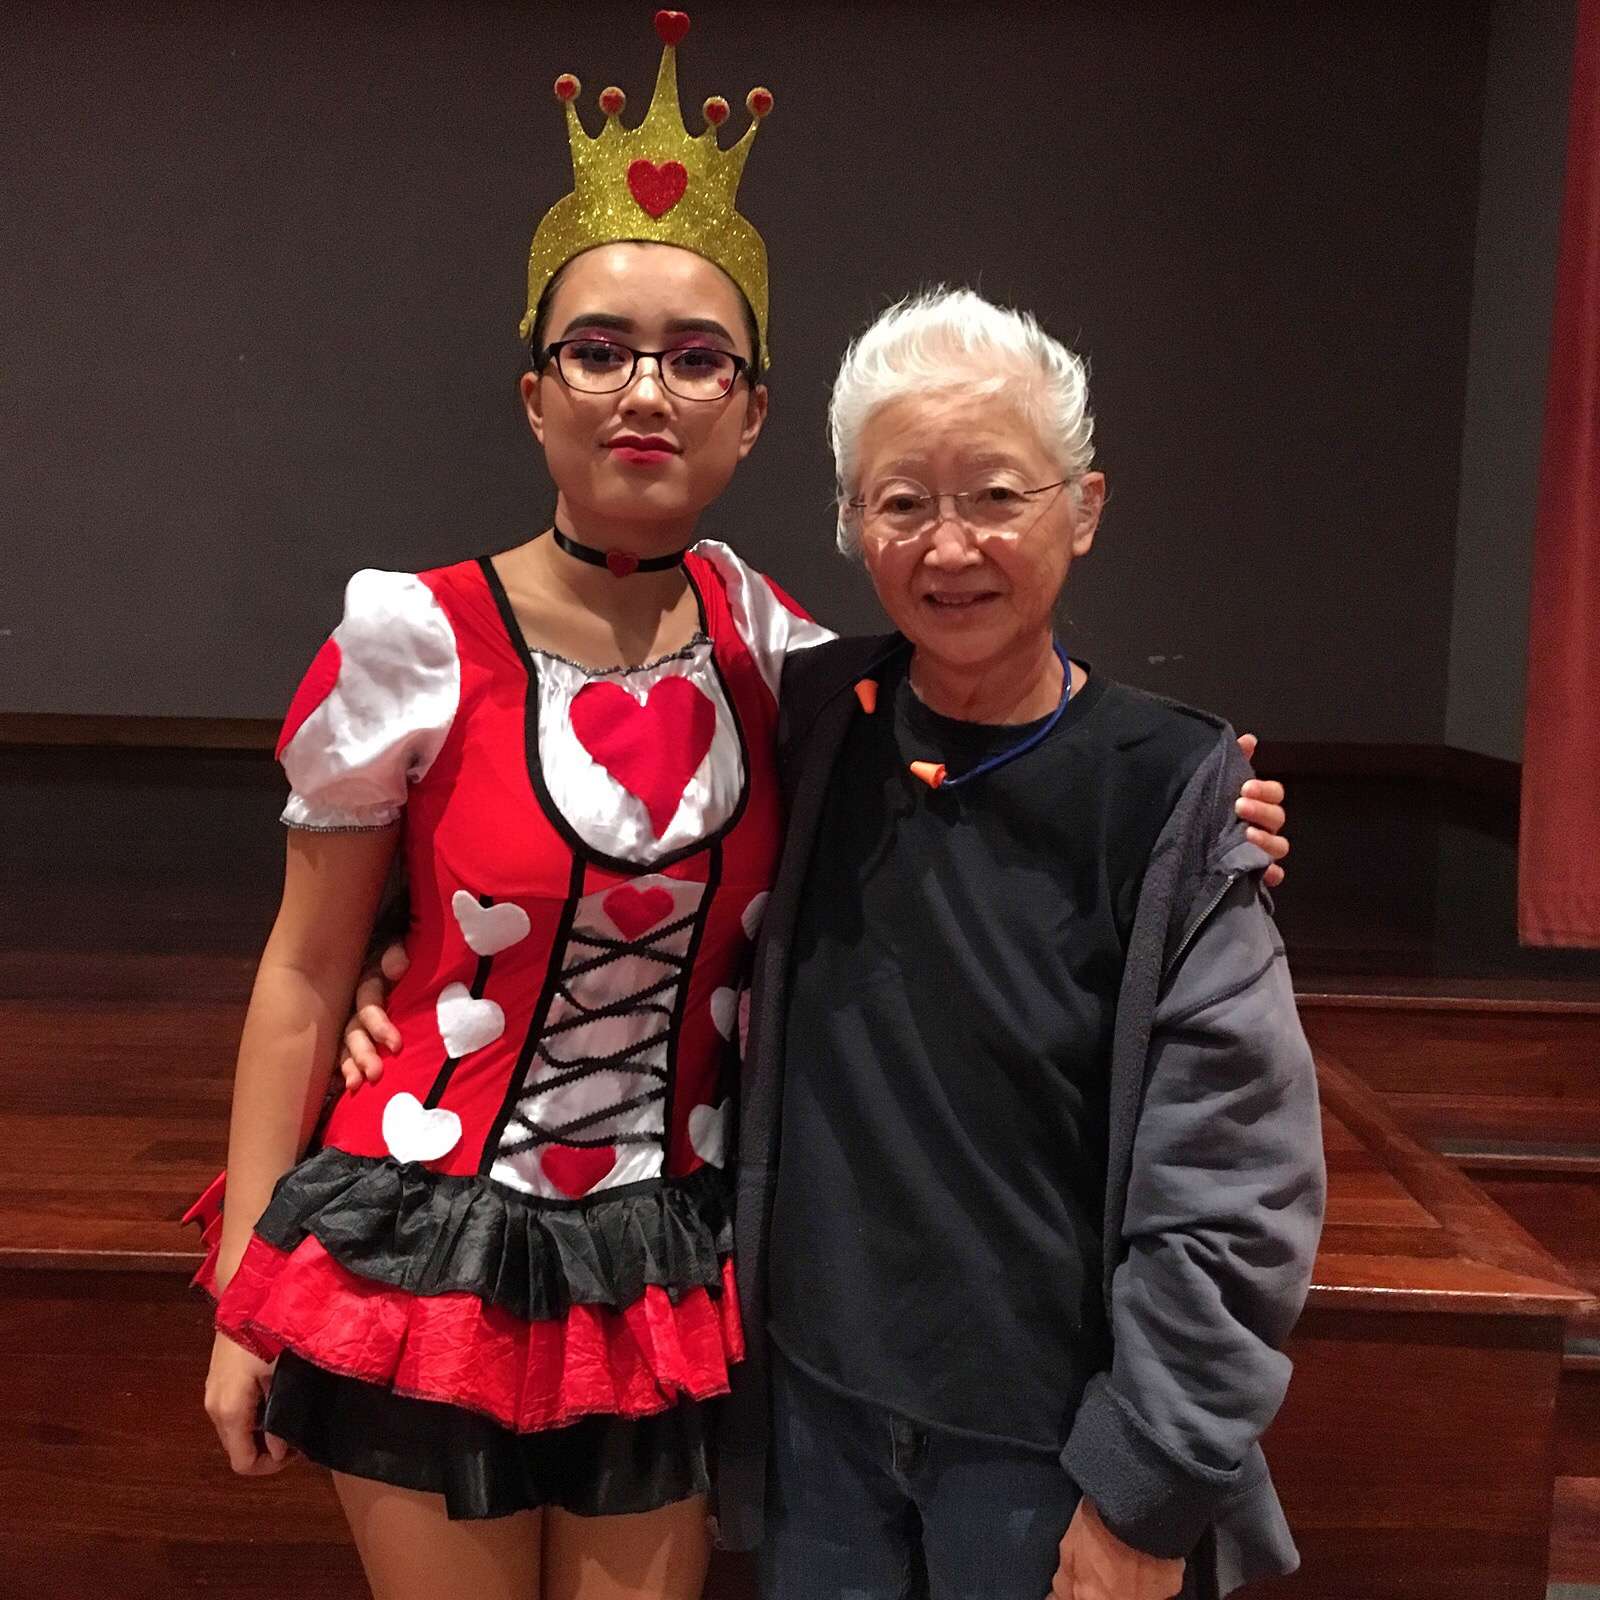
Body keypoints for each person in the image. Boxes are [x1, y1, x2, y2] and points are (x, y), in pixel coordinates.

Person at [197, 13, 1292, 1600]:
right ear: (534, 392)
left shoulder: (780, 657)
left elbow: (1002, 692)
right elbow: (306, 971)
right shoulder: (411, 638)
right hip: (429, 1244)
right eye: (599, 349)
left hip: (663, 1267)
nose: (646, 390)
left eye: (696, 356)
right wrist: (247, 1287)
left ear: (753, 409)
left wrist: (1206, 809)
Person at [715, 290, 1327, 1600]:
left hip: (1047, 1445)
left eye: (996, 495)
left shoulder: (1169, 788)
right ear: (851, 522)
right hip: (817, 1415)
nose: (949, 546)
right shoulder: (810, 720)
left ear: (1083, 508)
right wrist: (400, 952)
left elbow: (1237, 1178)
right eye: (900, 503)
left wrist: (1147, 1487)